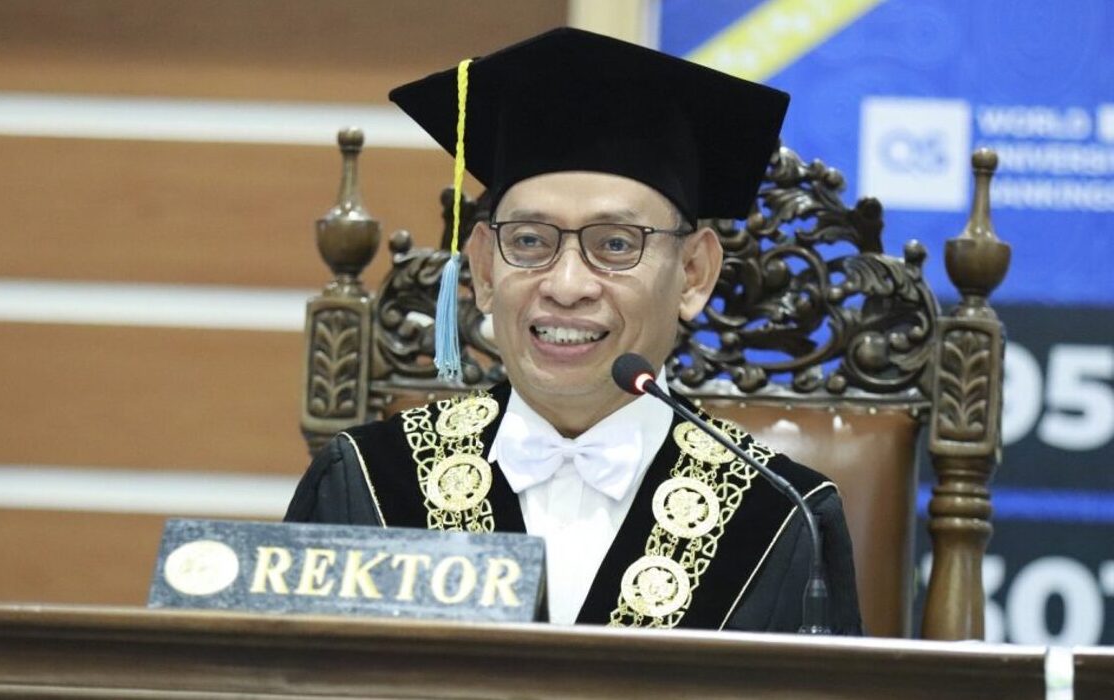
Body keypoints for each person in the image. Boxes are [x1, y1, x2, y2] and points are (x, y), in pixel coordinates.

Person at [286, 27, 862, 634]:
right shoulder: (372, 481)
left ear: (694, 273)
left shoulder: (779, 515)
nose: (565, 285)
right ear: (483, 268)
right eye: (530, 241)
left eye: (615, 245)